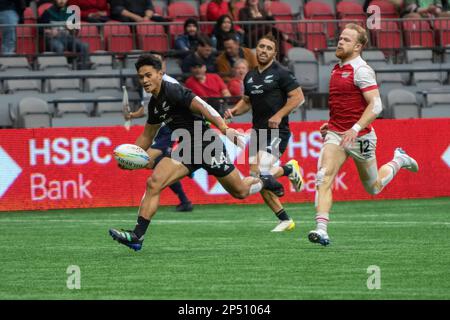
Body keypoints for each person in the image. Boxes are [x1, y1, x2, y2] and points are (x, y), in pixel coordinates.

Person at [109, 54, 285, 251]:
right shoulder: (154, 104)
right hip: (186, 148)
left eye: (148, 75)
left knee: (240, 191)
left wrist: (225, 129)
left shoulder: (173, 90)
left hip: (207, 144)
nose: (144, 80)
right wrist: (131, 156)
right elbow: (147, 136)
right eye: (141, 77)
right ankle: (137, 236)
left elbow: (203, 107)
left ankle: (264, 181)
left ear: (160, 74)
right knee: (154, 182)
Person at [307, 24, 419, 246]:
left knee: (374, 188)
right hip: (337, 136)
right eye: (340, 38)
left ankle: (399, 159)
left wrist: (355, 128)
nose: (340, 42)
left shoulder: (362, 70)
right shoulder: (336, 68)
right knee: (323, 177)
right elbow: (346, 105)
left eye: (346, 40)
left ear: (358, 46)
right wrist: (331, 124)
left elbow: (376, 106)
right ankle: (321, 230)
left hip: (361, 138)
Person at [225, 34, 305, 232]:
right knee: (258, 177)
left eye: (269, 48)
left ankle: (288, 169)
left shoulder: (282, 73)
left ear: (274, 53)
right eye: (261, 47)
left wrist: (279, 115)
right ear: (256, 49)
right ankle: (285, 219)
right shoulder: (250, 76)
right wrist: (235, 110)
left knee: (263, 173)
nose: (264, 51)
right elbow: (247, 101)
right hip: (257, 132)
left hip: (278, 131)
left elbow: (298, 97)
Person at [125, 53, 194, 212]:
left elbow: (188, 103)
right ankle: (184, 194)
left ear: (161, 65)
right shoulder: (148, 83)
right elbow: (147, 109)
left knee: (148, 161)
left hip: (169, 129)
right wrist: (132, 115)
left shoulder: (170, 83)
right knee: (153, 164)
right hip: (160, 129)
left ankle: (186, 171)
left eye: (159, 59)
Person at [38, 0, 91, 69]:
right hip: (53, 39)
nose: (62, 1)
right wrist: (49, 31)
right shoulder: (48, 12)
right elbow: (39, 28)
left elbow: (76, 31)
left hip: (68, 38)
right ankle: (61, 70)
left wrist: (71, 29)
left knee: (84, 46)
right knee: (59, 47)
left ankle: (83, 68)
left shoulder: (71, 13)